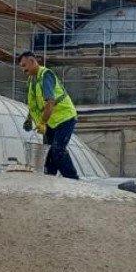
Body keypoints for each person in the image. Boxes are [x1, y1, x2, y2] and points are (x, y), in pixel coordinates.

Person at [18, 51, 79, 180]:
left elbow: (50, 102)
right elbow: (35, 104)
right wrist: (29, 118)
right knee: (48, 153)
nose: (23, 70)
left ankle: (73, 181)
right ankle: (49, 181)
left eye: (24, 65)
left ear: (32, 61)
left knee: (58, 150)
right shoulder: (31, 80)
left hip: (64, 117)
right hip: (50, 121)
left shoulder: (46, 75)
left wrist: (42, 122)